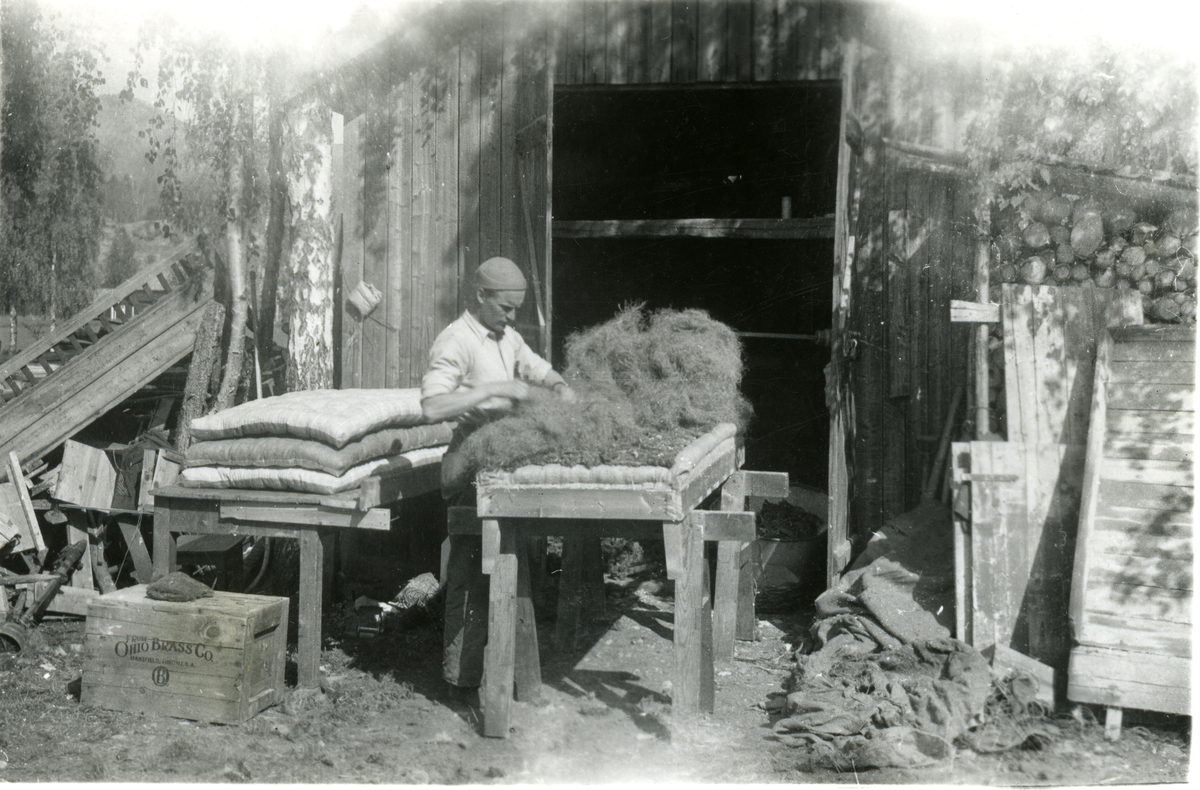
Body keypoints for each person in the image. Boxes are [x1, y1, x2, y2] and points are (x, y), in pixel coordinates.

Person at [420, 256, 574, 703]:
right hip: (470, 459)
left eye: (517, 308)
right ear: (481, 296)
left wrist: (560, 385)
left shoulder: (507, 336)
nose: (512, 316)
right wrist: (493, 390)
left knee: (512, 568)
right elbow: (431, 406)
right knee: (472, 574)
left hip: (501, 455)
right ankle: (460, 681)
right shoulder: (456, 341)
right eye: (505, 307)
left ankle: (512, 671)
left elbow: (535, 367)